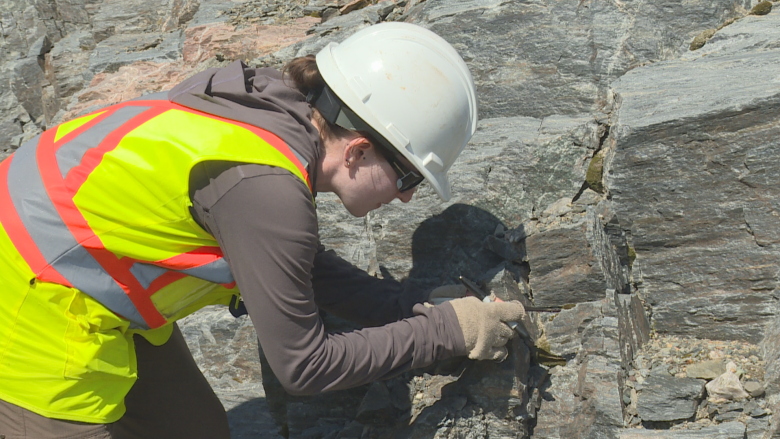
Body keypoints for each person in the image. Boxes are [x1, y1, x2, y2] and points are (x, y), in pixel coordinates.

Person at [0, 23, 525, 438]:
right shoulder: (265, 190)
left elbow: (293, 265)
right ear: (359, 149)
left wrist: (404, 303)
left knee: (192, 432)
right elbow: (305, 366)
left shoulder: (268, 109)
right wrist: (446, 332)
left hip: (68, 267)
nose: (407, 195)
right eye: (408, 176)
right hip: (31, 308)